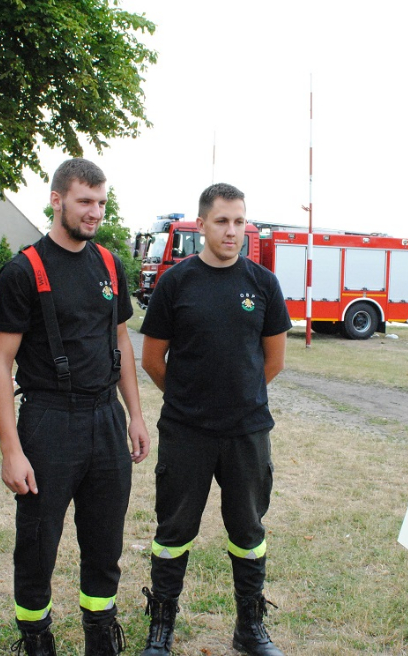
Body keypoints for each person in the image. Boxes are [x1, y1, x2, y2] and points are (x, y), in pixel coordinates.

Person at [0, 158, 150, 656]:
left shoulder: (109, 265)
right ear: (57, 200)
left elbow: (120, 342)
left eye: (101, 202)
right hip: (49, 420)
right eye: (85, 201)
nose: (95, 212)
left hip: (106, 418)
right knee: (38, 542)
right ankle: (36, 638)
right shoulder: (23, 270)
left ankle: (101, 635)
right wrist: (10, 450)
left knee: (105, 540)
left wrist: (136, 415)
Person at [138, 183, 292, 656]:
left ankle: (250, 627)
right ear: (202, 224)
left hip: (246, 432)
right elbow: (152, 360)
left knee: (248, 532)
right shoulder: (176, 282)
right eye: (222, 221)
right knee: (173, 532)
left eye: (239, 221)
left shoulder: (263, 284)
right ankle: (161, 627)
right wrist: (189, 400)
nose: (232, 231)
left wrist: (237, 398)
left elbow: (273, 361)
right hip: (186, 432)